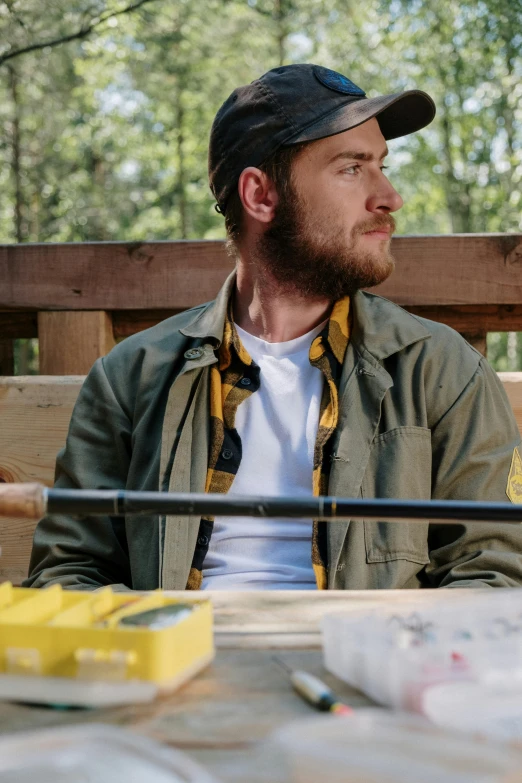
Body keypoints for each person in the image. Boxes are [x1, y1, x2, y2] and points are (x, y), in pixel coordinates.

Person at [25, 64, 522, 592]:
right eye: (352, 169)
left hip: (365, 661)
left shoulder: (438, 369)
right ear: (260, 195)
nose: (389, 197)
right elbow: (68, 571)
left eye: (381, 165)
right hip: (182, 655)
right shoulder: (132, 377)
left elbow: (494, 573)